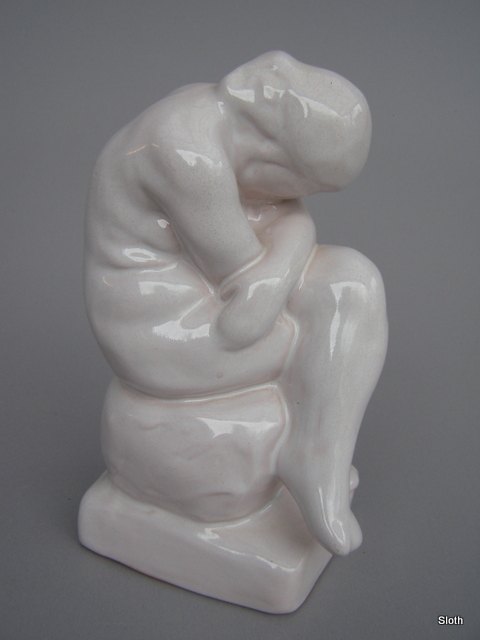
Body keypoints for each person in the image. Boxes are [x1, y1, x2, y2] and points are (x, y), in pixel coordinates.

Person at [85, 51, 387, 556]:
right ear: (273, 160)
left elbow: (285, 223)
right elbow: (250, 310)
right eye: (302, 186)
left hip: (214, 312)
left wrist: (291, 234)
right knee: (332, 325)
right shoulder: (187, 153)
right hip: (164, 335)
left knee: (354, 282)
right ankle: (312, 458)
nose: (296, 198)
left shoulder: (213, 117)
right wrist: (294, 238)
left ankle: (315, 459)